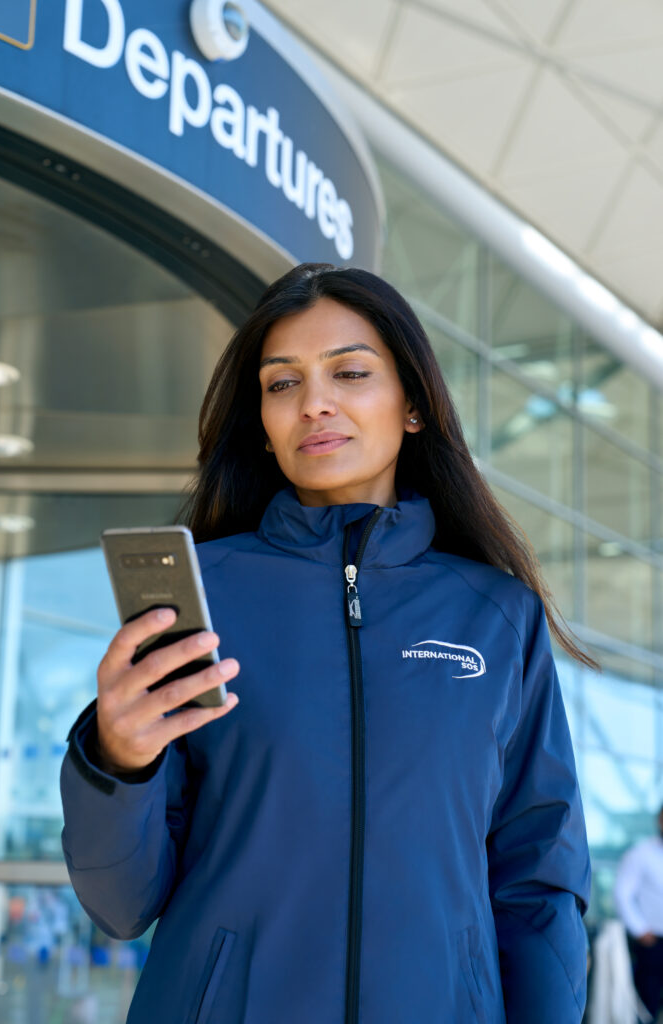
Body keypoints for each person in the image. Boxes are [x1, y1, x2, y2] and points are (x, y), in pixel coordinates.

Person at [60, 262, 594, 1024]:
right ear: (264, 422)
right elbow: (120, 903)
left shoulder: (496, 616)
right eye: (282, 384)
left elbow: (537, 881)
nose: (314, 403)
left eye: (349, 372)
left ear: (412, 404)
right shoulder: (200, 596)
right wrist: (117, 761)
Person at [614, 804, 663, 1022]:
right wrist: (640, 930)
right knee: (647, 1006)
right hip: (653, 943)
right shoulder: (640, 853)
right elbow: (622, 894)